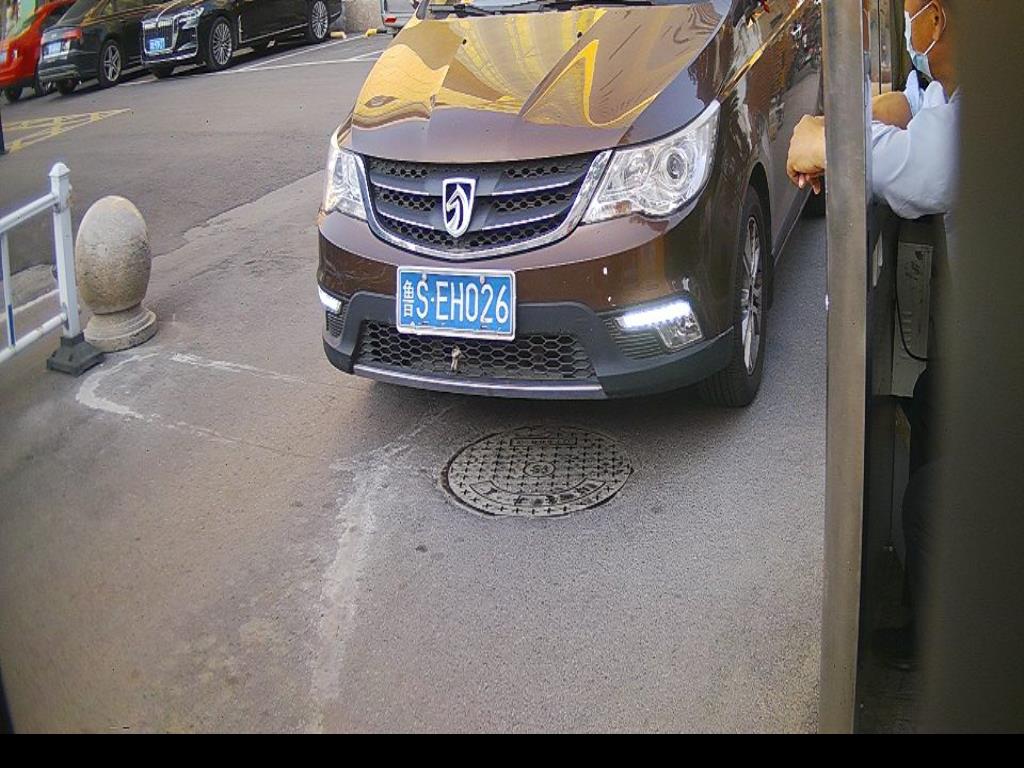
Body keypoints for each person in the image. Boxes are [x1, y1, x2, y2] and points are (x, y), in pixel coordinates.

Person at [788, 0, 961, 669]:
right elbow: (919, 109)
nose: (909, 27)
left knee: (927, 506)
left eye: (911, 10)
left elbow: (927, 170)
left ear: (937, 21)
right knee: (932, 394)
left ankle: (949, 663)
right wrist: (865, 118)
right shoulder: (953, 90)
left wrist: (829, 143)